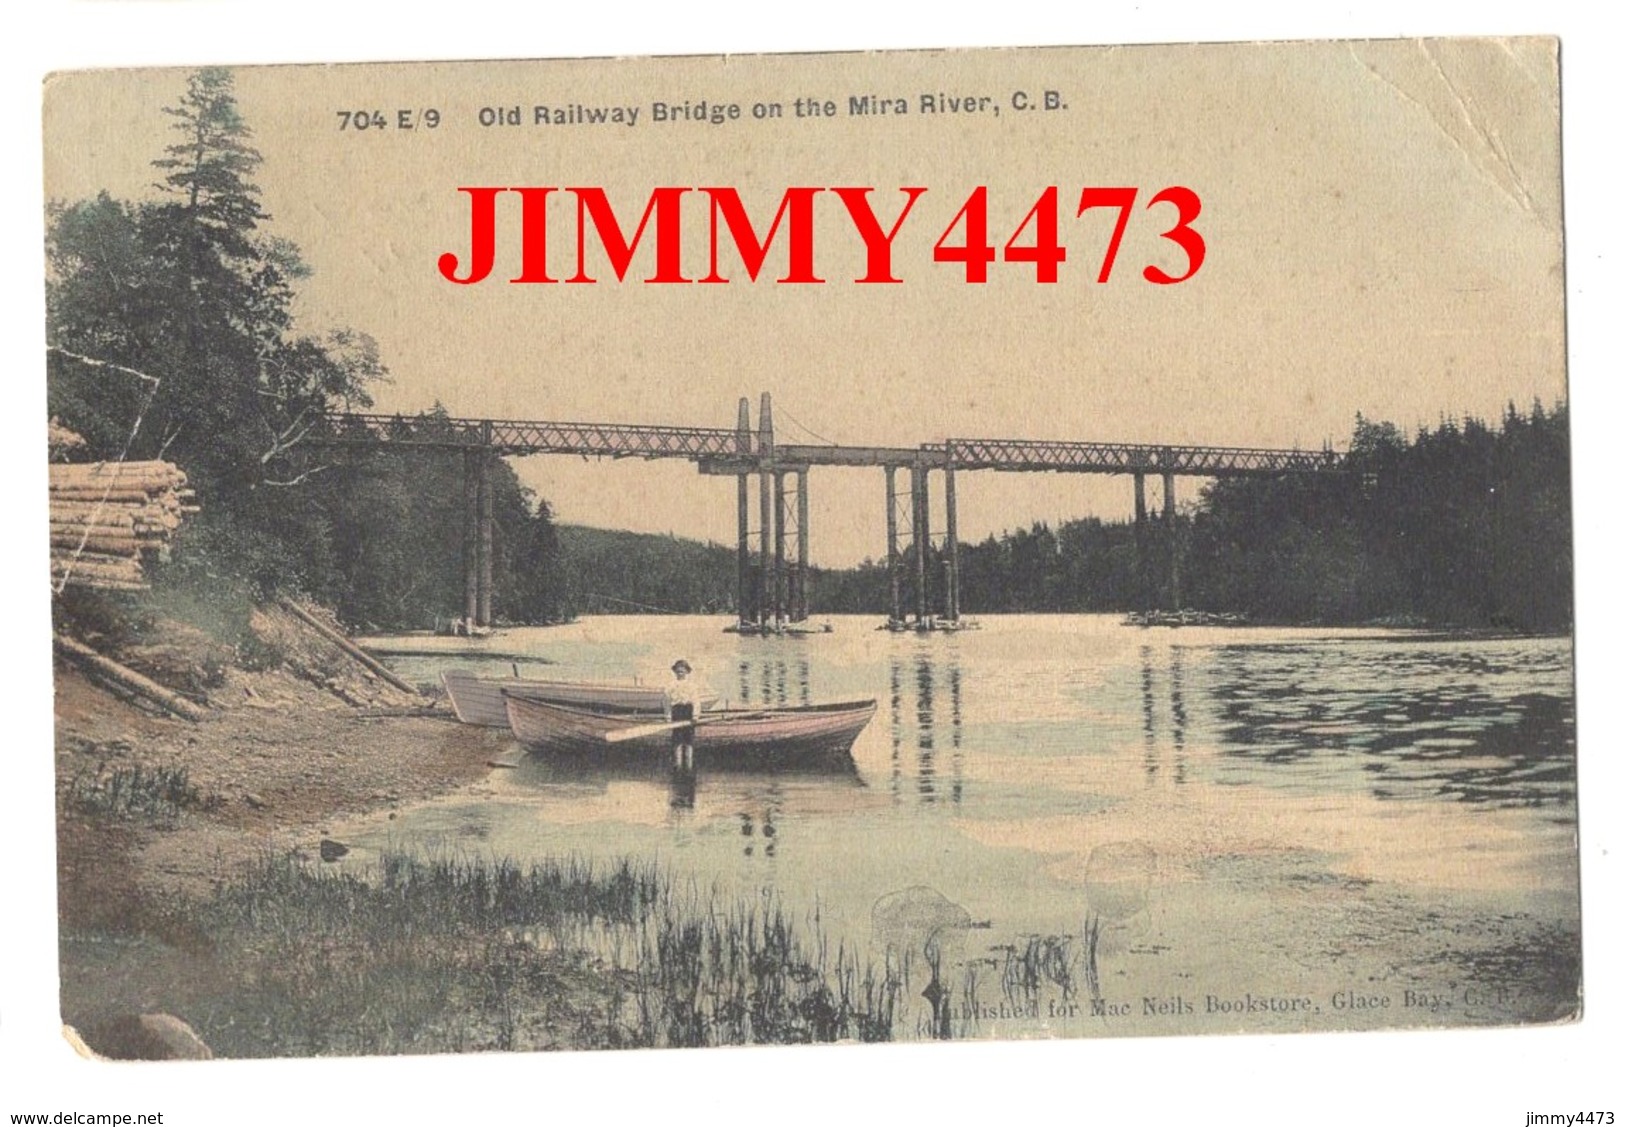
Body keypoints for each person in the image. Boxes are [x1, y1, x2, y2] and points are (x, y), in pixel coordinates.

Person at [663, 659, 703, 770]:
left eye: (682, 671)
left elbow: (696, 701)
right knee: (677, 741)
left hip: (688, 712)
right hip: (677, 712)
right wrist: (668, 716)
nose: (680, 673)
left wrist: (695, 715)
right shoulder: (670, 686)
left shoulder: (692, 686)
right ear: (675, 672)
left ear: (687, 672)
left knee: (689, 741)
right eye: (678, 671)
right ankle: (678, 766)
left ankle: (689, 766)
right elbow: (666, 703)